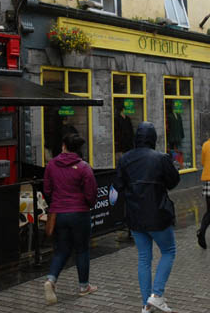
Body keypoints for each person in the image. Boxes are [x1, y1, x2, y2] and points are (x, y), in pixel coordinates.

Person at [113, 122, 180, 313]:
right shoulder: (161, 158)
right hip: (157, 214)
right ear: (153, 138)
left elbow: (118, 185)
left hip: (135, 216)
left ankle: (146, 304)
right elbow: (174, 181)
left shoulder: (125, 158)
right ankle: (157, 295)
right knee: (168, 251)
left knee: (144, 258)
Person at [43, 132, 98, 305]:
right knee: (82, 249)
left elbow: (47, 189)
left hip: (59, 213)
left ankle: (51, 280)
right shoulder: (84, 167)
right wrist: (87, 204)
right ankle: (83, 286)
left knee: (61, 249)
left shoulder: (51, 165)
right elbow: (91, 193)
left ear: (63, 146)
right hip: (79, 213)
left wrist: (55, 203)